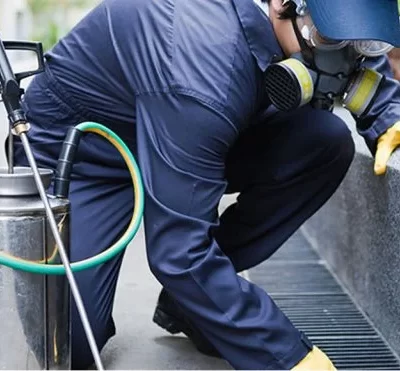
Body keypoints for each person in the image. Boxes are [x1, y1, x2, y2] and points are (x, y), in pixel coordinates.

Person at [10, 0, 400, 369]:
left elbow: (350, 43)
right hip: (88, 158)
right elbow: (178, 251)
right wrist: (285, 358)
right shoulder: (202, 63)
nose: (342, 61)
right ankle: (203, 297)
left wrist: (386, 112)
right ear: (283, 3)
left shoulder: (295, 25)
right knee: (69, 343)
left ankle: (192, 306)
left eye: (360, 42)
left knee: (324, 144)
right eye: (329, 41)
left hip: (191, 126)